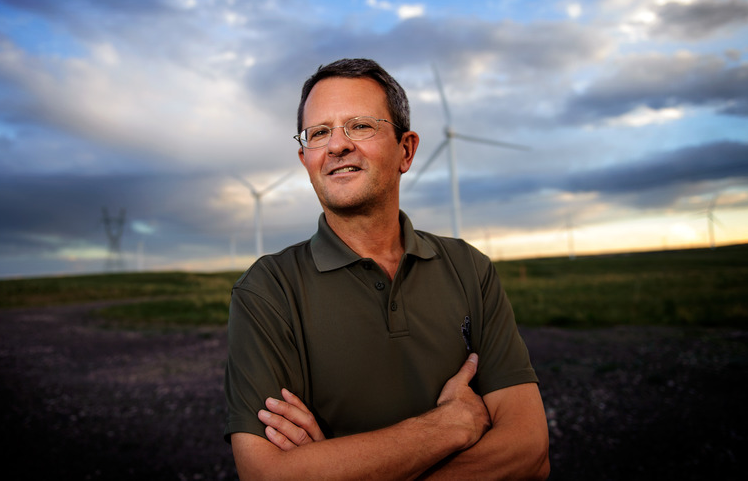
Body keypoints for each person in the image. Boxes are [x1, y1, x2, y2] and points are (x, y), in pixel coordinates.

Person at [224, 58, 549, 480]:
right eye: (319, 132)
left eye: (360, 125)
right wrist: (451, 425)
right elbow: (267, 474)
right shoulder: (266, 291)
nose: (337, 145)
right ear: (305, 157)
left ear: (406, 150)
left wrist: (339, 468)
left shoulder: (470, 268)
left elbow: (529, 452)